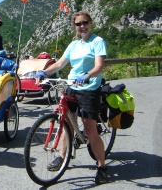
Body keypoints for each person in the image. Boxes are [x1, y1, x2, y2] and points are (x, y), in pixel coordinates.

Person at [34, 11, 109, 184]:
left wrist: (88, 75)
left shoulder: (97, 42)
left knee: (90, 130)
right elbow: (60, 63)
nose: (82, 26)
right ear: (74, 26)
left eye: (85, 22)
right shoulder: (74, 44)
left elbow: (99, 66)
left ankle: (102, 166)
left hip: (89, 87)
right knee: (67, 123)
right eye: (78, 24)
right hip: (73, 85)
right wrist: (44, 71)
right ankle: (62, 156)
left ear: (90, 22)